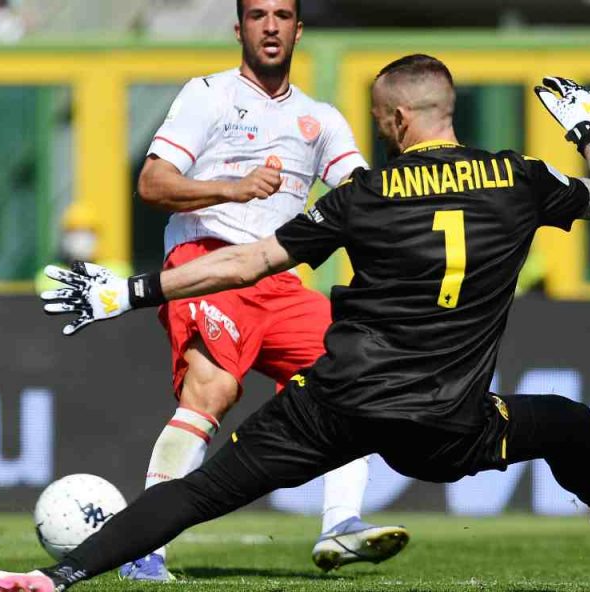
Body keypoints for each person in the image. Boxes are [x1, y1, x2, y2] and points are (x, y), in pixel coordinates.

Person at [0, 56, 590, 592]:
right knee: (571, 423)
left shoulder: (367, 195)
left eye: (380, 118)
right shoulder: (519, 178)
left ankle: (54, 577)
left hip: (336, 406)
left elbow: (248, 263)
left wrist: (133, 290)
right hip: (446, 425)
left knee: (198, 493)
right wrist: (585, 129)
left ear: (398, 118)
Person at [122, 0, 403, 580]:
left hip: (278, 279)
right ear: (239, 29)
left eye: (281, 15)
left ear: (298, 29)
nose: (270, 25)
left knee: (357, 376)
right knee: (212, 389)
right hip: (207, 262)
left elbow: (362, 197)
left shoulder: (321, 120)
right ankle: (144, 550)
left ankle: (340, 525)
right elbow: (152, 183)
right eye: (257, 15)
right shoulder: (208, 95)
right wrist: (232, 187)